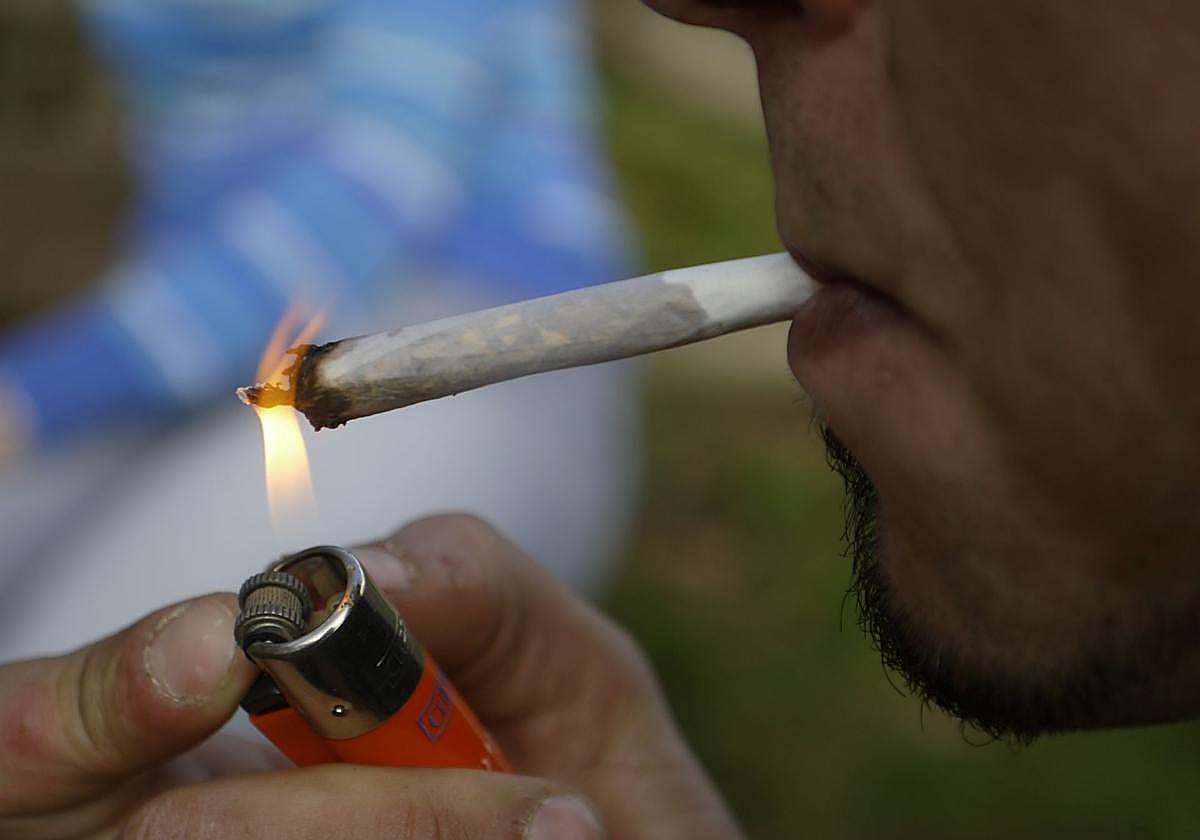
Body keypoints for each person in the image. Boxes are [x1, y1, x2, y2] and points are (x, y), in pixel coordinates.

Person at [4, 0, 1199, 837]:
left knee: (105, 664)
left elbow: (362, 186)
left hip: (465, 307)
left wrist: (36, 395)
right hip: (183, 341)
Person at [0, 0, 639, 662]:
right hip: (206, 347)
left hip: (467, 337)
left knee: (102, 675)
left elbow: (374, 175)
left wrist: (42, 391)